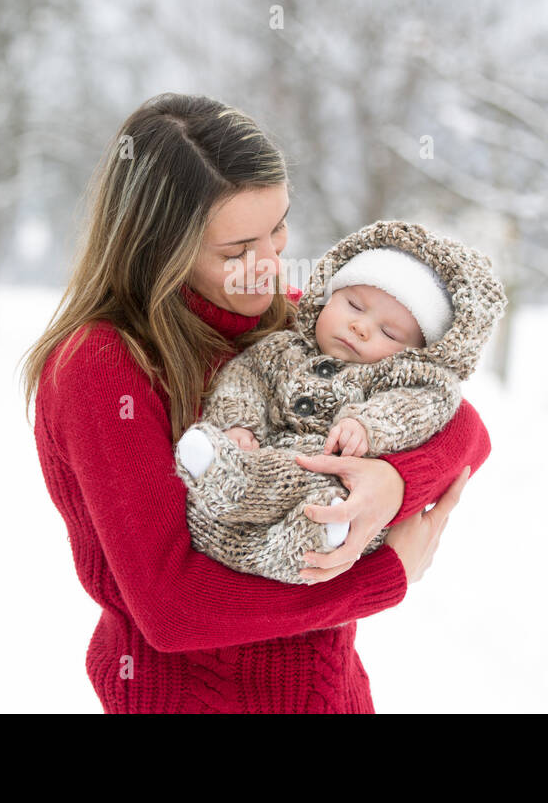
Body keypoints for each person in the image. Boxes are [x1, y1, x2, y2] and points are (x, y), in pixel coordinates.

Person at [20, 92, 491, 714]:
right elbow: (171, 610)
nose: (268, 266)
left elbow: (464, 425)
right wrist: (382, 576)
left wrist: (390, 482)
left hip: (331, 697)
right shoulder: (101, 367)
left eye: (278, 229)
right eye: (237, 251)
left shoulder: (297, 322)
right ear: (159, 247)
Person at [174, 220, 508, 584]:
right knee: (225, 522)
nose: (360, 327)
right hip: (259, 473)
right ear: (326, 295)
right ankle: (232, 483)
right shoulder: (282, 350)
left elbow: (419, 405)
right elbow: (245, 380)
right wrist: (239, 423)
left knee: (320, 507)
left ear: (415, 353)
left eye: (389, 331)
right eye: (353, 305)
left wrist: (367, 424)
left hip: (337, 486)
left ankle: (254, 498)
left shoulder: (401, 377)